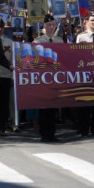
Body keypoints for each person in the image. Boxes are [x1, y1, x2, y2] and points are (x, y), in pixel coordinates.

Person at [32, 14, 63, 142]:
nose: (51, 27)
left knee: (53, 106)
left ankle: (52, 133)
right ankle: (44, 133)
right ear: (44, 26)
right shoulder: (38, 41)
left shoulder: (59, 41)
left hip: (55, 77)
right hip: (42, 78)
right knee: (43, 107)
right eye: (49, 25)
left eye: (53, 25)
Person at [0, 18, 14, 136]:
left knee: (4, 103)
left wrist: (12, 76)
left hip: (6, 75)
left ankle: (2, 126)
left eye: (1, 27)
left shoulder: (9, 42)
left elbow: (12, 60)